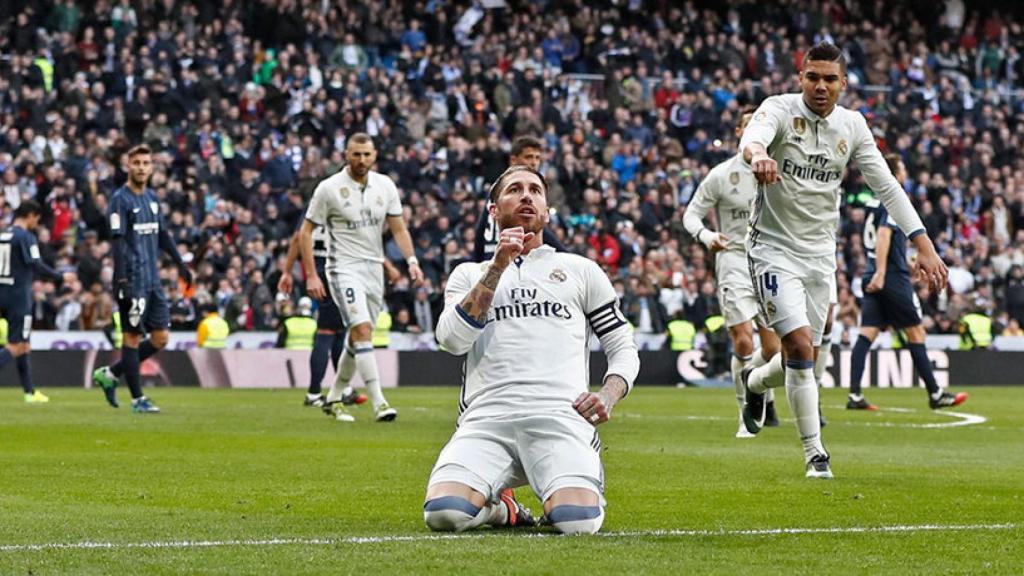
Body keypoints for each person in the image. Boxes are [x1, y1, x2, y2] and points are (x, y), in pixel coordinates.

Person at [738, 42, 948, 479]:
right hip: (772, 248)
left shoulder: (852, 126)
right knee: (797, 346)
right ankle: (816, 454)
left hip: (819, 254)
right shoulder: (778, 109)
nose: (820, 86)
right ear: (801, 78)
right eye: (812, 77)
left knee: (807, 359)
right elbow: (752, 139)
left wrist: (922, 241)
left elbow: (887, 187)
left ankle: (755, 382)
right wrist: (758, 155)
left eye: (830, 79)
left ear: (843, 84)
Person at [425, 166, 639, 535]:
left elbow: (622, 346)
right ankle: (501, 511)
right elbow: (451, 341)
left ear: (547, 210)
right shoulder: (468, 273)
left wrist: (609, 394)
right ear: (493, 210)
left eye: (535, 190)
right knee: (444, 515)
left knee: (578, 523)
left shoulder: (580, 269)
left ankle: (566, 483)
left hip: (560, 417)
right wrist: (497, 267)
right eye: (515, 189)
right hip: (486, 420)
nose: (527, 196)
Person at [300, 133, 423, 422]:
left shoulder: (385, 185)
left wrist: (411, 261)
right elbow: (304, 232)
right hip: (342, 267)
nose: (361, 160)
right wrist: (311, 276)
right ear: (346, 154)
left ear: (375, 155)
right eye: (356, 154)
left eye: (366, 154)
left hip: (372, 268)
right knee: (363, 329)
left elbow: (399, 228)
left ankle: (333, 397)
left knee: (358, 338)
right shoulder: (328, 189)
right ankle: (379, 402)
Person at [682, 108, 782, 438]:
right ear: (740, 131)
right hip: (734, 259)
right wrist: (707, 236)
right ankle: (746, 417)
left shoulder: (779, 169)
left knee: (773, 351)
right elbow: (691, 215)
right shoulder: (722, 175)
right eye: (749, 125)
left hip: (769, 260)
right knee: (742, 338)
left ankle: (759, 387)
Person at [848, 155, 967, 410]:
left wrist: (903, 259)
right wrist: (883, 271)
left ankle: (854, 394)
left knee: (867, 332)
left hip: (873, 271)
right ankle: (935, 394)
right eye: (902, 167)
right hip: (889, 275)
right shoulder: (892, 197)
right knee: (915, 330)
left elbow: (882, 239)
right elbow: (883, 235)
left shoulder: (872, 201)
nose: (905, 172)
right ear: (894, 172)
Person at [92, 145, 194, 413]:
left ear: (151, 167)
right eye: (136, 162)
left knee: (160, 338)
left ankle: (111, 374)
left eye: (146, 162)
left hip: (153, 279)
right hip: (132, 279)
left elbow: (163, 235)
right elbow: (117, 242)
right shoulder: (120, 200)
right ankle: (138, 399)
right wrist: (122, 279)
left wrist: (180, 263)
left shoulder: (151, 198)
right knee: (132, 337)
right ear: (128, 166)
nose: (141, 167)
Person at [278, 209, 366, 409]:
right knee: (327, 333)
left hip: (324, 268)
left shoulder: (313, 211)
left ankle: (342, 389)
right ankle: (314, 392)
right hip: (333, 270)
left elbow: (296, 239)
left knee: (338, 332)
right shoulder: (340, 209)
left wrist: (288, 271)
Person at [0, 201, 63, 403]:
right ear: (31, 216)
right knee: (16, 345)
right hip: (18, 297)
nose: (37, 223)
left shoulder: (3, 235)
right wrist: (59, 276)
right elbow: (35, 263)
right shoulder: (26, 237)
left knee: (24, 344)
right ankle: (29, 392)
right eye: (37, 218)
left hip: (2, 291)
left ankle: (29, 392)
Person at [472, 135, 566, 262]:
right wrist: (565, 253)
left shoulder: (500, 187)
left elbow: (480, 228)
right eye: (528, 157)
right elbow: (534, 229)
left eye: (537, 158)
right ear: (513, 160)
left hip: (500, 254)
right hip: (505, 255)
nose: (534, 162)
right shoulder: (507, 190)